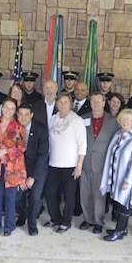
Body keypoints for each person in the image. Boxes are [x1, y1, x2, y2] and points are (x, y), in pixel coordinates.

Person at [43, 93, 87, 233]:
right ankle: (55, 218)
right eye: (60, 102)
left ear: (71, 103)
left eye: (66, 102)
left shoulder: (76, 120)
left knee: (69, 195)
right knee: (49, 192)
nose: (62, 104)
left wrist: (79, 165)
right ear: (56, 103)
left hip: (70, 165)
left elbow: (82, 145)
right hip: (53, 163)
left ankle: (66, 222)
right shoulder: (53, 119)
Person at [0, 98, 27, 236]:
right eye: (6, 107)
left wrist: (6, 152)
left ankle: (9, 226)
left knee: (10, 197)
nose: (8, 110)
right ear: (2, 108)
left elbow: (22, 147)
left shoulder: (19, 126)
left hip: (12, 167)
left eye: (11, 108)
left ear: (15, 111)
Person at [79, 92, 118, 234]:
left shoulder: (113, 121)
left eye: (98, 101)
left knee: (99, 195)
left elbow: (116, 142)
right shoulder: (83, 119)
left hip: (102, 163)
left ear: (104, 102)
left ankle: (98, 221)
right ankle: (87, 219)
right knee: (85, 194)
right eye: (93, 101)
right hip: (84, 162)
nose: (96, 104)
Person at [102, 109, 132, 242]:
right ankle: (122, 229)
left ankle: (119, 232)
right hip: (114, 176)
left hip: (124, 179)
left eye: (129, 119)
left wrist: (128, 181)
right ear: (119, 121)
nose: (125, 122)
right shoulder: (117, 134)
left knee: (124, 204)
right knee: (117, 202)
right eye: (123, 119)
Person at [14, 103, 49, 235]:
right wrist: (20, 176)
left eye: (26, 114)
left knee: (35, 197)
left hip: (38, 169)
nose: (23, 117)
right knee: (17, 197)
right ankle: (23, 216)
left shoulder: (41, 129)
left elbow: (42, 155)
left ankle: (32, 223)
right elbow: (13, 155)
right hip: (19, 168)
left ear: (32, 115)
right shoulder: (14, 129)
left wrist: (32, 177)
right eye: (20, 114)